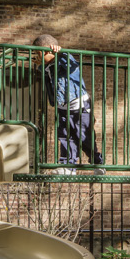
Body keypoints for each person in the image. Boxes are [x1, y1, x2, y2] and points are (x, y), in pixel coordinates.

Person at [35, 34, 103, 169]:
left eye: (38, 54)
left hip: (79, 106)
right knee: (65, 137)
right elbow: (47, 77)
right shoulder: (48, 67)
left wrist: (61, 53)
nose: (37, 57)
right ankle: (67, 166)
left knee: (84, 137)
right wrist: (41, 64)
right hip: (63, 107)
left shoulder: (65, 59)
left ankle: (97, 163)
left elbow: (71, 64)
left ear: (48, 51)